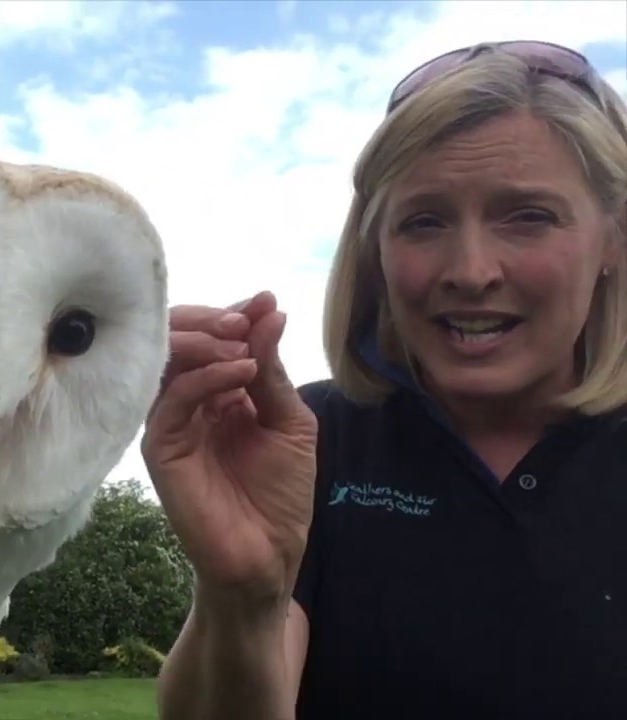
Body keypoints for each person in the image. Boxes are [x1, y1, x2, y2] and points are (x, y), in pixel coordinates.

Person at [145, 40, 627, 720]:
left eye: (527, 216)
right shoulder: (306, 443)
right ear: (375, 250)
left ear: (614, 238)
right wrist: (244, 598)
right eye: (423, 221)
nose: (471, 269)